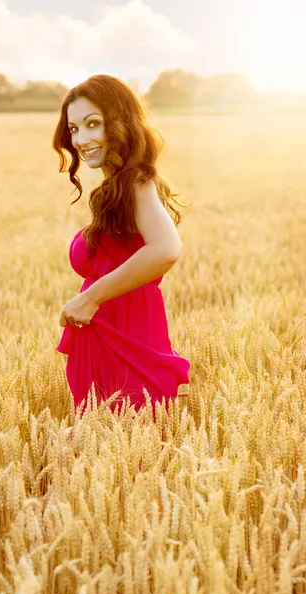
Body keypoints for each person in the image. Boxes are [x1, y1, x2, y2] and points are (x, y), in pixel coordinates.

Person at [52, 74, 191, 419]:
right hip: (109, 337)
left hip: (127, 339)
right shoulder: (118, 186)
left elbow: (165, 248)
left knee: (128, 455)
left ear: (119, 123)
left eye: (92, 124)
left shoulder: (135, 182)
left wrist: (89, 298)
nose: (81, 139)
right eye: (74, 129)